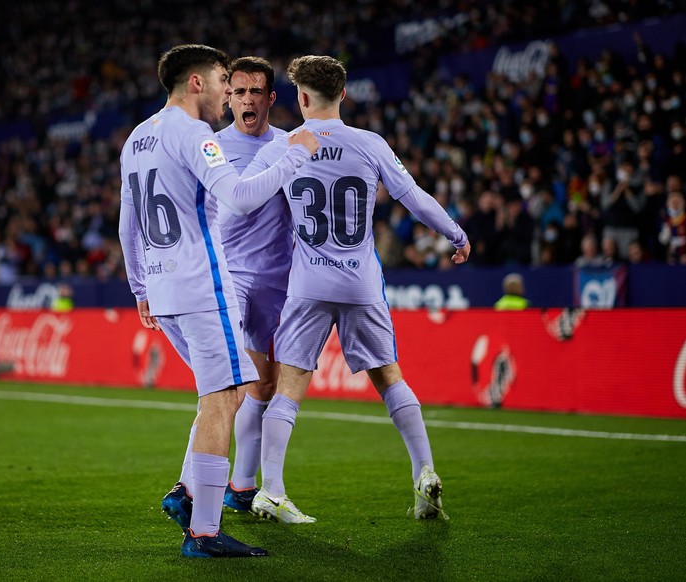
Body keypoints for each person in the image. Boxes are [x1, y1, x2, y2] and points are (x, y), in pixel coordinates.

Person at [243, 56, 471, 524]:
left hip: (307, 285)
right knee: (390, 378)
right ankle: (423, 471)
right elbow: (414, 199)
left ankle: (271, 490)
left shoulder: (286, 146)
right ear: (343, 95)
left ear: (302, 98)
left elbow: (242, 200)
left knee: (288, 389)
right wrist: (456, 234)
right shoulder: (370, 144)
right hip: (360, 282)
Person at [118, 44, 318, 558]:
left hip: (164, 290)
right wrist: (297, 155)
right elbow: (240, 198)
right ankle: (204, 530)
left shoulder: (137, 138)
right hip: (202, 286)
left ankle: (186, 494)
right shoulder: (195, 134)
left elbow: (128, 222)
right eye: (223, 79)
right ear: (197, 83)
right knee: (222, 396)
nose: (230, 90)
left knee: (227, 392)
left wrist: (140, 286)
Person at [214, 56, 293, 513]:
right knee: (234, 382)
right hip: (231, 277)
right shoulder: (210, 146)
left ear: (270, 99)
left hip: (279, 281)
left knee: (266, 386)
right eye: (239, 91)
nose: (247, 99)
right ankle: (225, 486)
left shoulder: (289, 144)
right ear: (228, 98)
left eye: (255, 92)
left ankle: (245, 485)